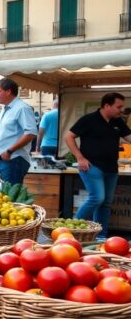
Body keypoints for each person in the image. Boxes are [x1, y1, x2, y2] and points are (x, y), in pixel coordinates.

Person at [65, 92, 131, 240]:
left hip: (111, 168)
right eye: (118, 106)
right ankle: (71, 231)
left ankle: (100, 236)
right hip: (91, 167)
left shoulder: (118, 122)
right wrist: (80, 158)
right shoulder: (89, 120)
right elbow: (68, 136)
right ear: (107, 105)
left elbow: (129, 137)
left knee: (106, 203)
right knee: (97, 198)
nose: (121, 110)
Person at [0, 78, 38, 185]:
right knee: (3, 196)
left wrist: (9, 151)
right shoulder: (5, 109)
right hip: (3, 158)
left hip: (14, 159)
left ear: (8, 91)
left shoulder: (22, 108)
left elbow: (30, 133)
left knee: (8, 197)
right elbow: (10, 133)